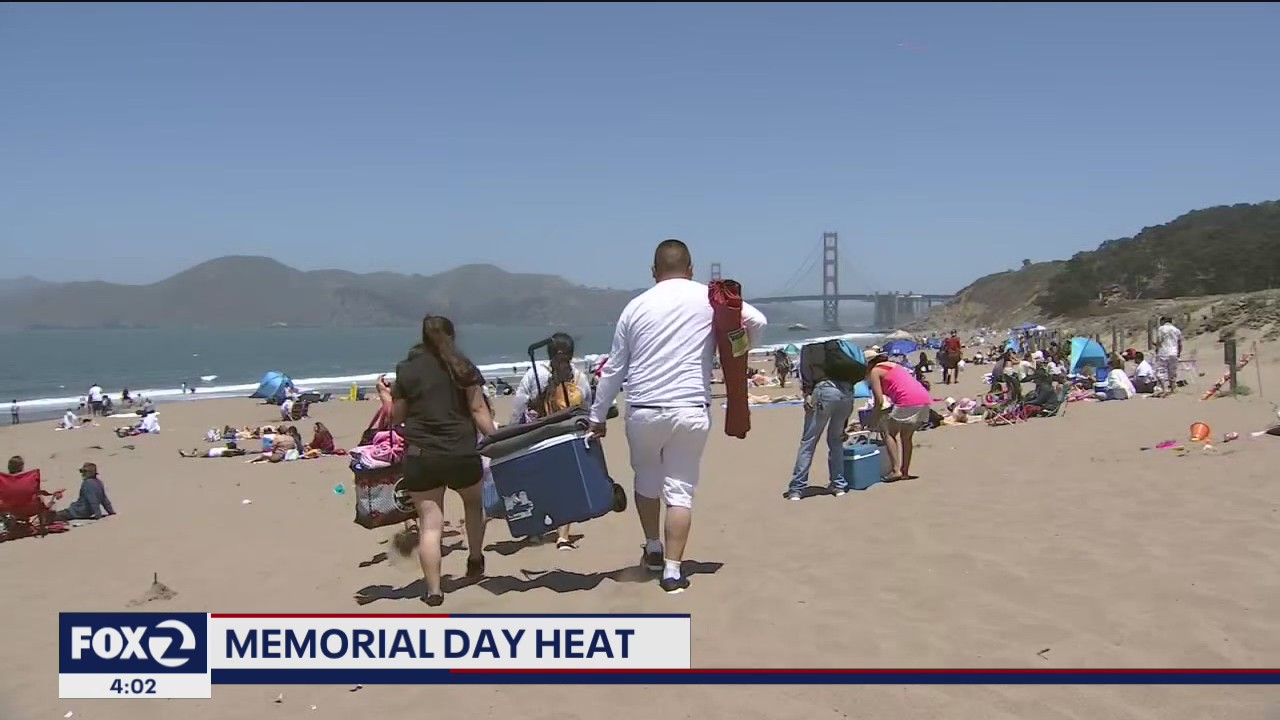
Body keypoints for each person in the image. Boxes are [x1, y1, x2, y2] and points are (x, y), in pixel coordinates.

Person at [589, 239, 767, 594]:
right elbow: (757, 320)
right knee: (680, 489)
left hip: (644, 410)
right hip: (691, 409)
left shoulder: (635, 307)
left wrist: (597, 415)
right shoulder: (708, 298)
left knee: (646, 479)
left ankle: (653, 547)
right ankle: (673, 572)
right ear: (691, 269)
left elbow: (615, 368)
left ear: (654, 272)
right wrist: (740, 348)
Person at [391, 315, 496, 606]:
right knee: (473, 504)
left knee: (430, 524)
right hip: (461, 451)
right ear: (452, 335)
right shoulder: (463, 367)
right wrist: (497, 439)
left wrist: (387, 398)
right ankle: (475, 559)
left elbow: (396, 416)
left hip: (422, 455)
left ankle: (434, 591)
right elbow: (478, 410)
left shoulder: (407, 370)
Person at [509, 332, 592, 549]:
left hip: (539, 436)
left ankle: (536, 531)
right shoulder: (579, 377)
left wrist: (512, 432)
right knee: (566, 484)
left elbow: (519, 406)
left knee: (537, 484)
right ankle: (562, 536)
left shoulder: (535, 374)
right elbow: (587, 407)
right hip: (568, 436)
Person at [786, 342, 857, 500]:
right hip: (847, 392)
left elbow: (805, 371)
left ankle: (797, 489)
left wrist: (807, 393)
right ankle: (838, 485)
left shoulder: (809, 348)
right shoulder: (838, 347)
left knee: (809, 442)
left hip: (825, 390)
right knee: (836, 441)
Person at [866, 349, 933, 482]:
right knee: (906, 437)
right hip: (924, 399)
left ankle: (896, 470)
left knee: (888, 433)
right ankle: (905, 471)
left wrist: (872, 418)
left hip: (907, 401)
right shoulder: (895, 366)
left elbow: (879, 401)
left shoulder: (875, 371)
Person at [1155, 316, 1183, 395]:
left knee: (1161, 371)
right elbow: (1180, 343)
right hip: (1173, 352)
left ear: (1163, 321)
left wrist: (1157, 349)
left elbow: (1159, 340)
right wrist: (1179, 353)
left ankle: (1164, 389)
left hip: (1163, 352)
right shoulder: (1176, 330)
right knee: (1172, 371)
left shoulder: (1161, 329)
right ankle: (1173, 388)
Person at [180, 441, 248, 459]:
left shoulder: (229, 451)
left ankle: (185, 455)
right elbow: (234, 450)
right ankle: (194, 452)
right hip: (212, 451)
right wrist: (239, 450)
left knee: (197, 455)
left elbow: (231, 452)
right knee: (199, 453)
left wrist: (238, 451)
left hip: (211, 453)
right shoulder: (229, 450)